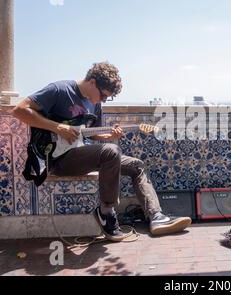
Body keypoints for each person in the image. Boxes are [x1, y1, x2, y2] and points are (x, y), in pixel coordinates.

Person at [12, 62, 192, 241]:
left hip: (81, 152)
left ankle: (157, 217)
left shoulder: (94, 104)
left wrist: (109, 135)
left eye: (108, 98)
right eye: (103, 95)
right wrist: (58, 127)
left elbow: (93, 134)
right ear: (92, 82)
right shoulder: (60, 90)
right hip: (57, 159)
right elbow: (19, 110)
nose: (103, 100)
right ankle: (106, 212)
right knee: (111, 151)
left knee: (136, 165)